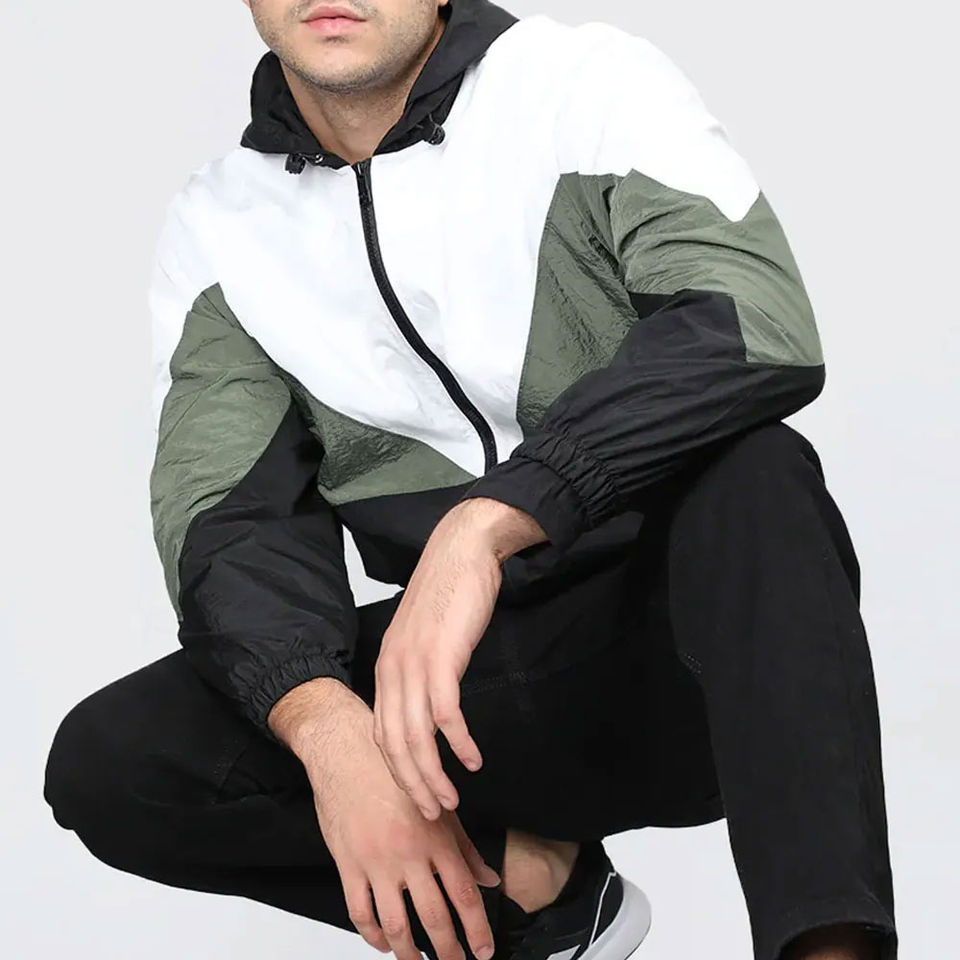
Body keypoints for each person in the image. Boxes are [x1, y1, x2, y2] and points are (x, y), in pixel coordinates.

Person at [42, 2, 899, 959]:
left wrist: (491, 522)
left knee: (757, 470)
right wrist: (328, 732)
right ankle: (535, 896)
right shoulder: (218, 226)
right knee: (116, 759)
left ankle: (830, 949)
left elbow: (753, 326)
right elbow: (231, 522)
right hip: (462, 706)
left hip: (692, 659)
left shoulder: (583, 88)